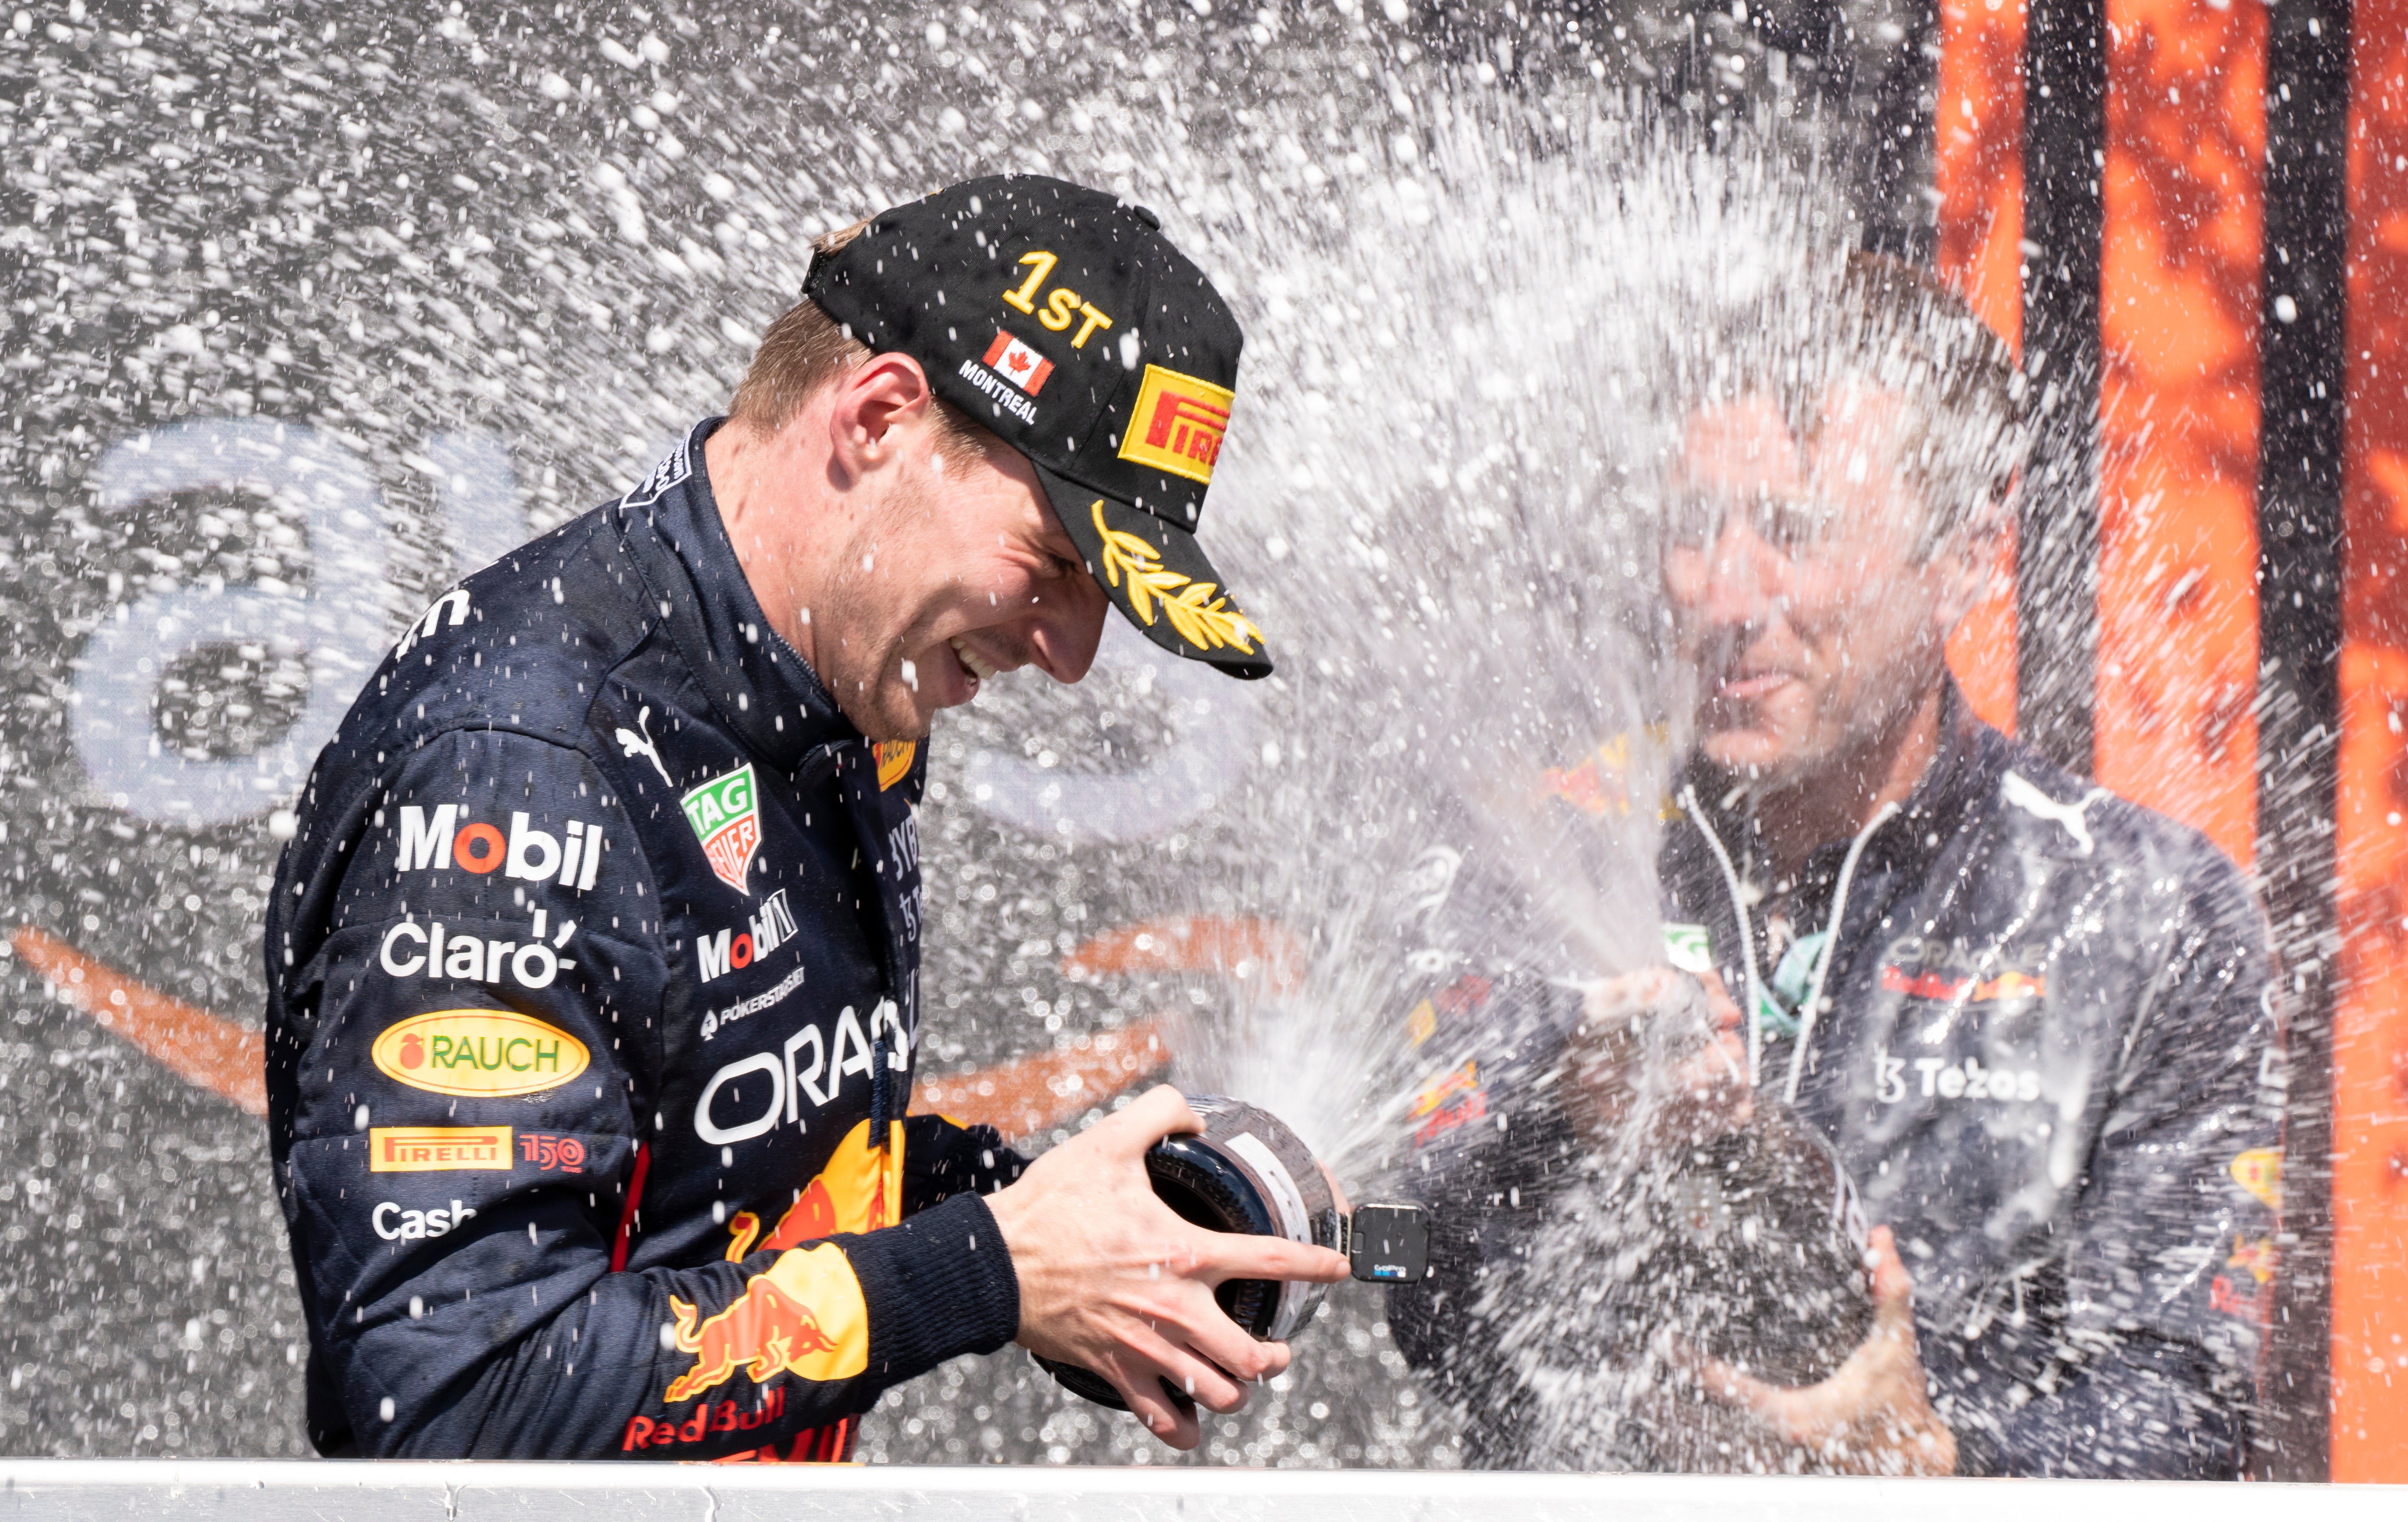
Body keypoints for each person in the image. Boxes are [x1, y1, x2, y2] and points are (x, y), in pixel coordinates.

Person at [264, 176, 1347, 1460]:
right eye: (1057, 562)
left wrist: (1077, 1222)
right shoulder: (523, 765)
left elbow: (727, 1175)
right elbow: (456, 1393)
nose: (1069, 654)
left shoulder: (833, 692)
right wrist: (987, 1268)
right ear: (880, 416)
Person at [1392, 255, 2283, 1477]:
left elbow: (2186, 1410)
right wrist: (1563, 1132)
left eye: (1794, 533)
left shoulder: (2142, 910)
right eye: (1695, 527)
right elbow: (1414, 1298)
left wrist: (1937, 1464)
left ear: (1965, 557)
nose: (1727, 594)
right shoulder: (1544, 862)